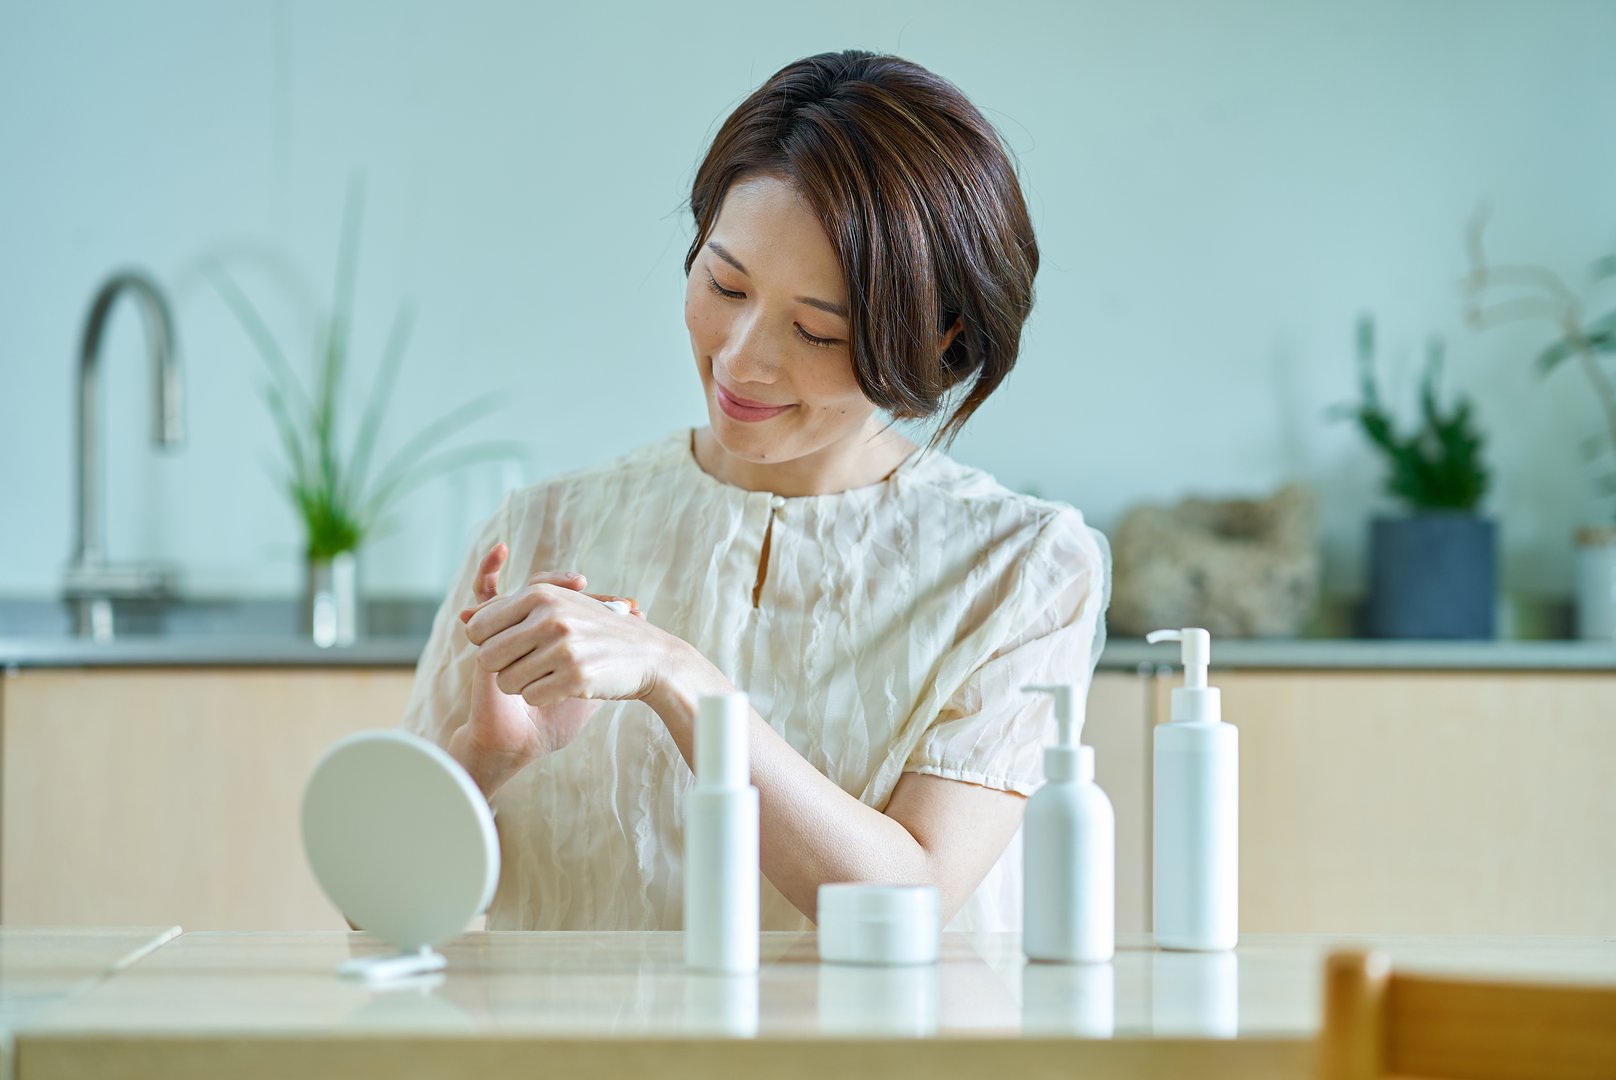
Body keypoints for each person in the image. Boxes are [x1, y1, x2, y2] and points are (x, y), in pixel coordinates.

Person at [401, 49, 1111, 932]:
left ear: (938, 340)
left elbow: (907, 901)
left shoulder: (1021, 569)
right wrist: (483, 759)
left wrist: (678, 676)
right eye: (725, 284)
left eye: (815, 331)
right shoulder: (543, 527)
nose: (741, 359)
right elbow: (374, 913)